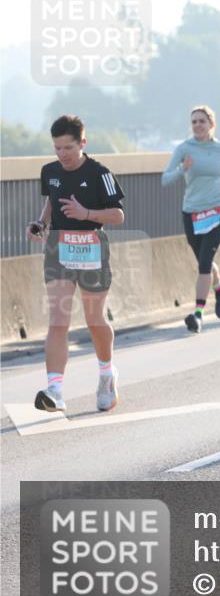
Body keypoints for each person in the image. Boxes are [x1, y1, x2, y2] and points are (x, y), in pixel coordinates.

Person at [28, 115, 125, 413]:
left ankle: (107, 374)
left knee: (95, 320)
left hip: (92, 246)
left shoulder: (100, 173)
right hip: (59, 246)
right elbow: (52, 202)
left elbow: (118, 216)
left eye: (68, 147)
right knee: (58, 319)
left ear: (83, 143)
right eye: (57, 148)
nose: (62, 154)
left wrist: (85, 214)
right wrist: (41, 223)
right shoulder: (50, 171)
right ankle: (55, 390)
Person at [162, 106, 220, 333]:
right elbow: (165, 178)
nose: (197, 125)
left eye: (202, 121)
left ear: (212, 124)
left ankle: (198, 314)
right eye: (194, 122)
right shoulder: (184, 149)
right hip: (192, 212)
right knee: (203, 261)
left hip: (218, 210)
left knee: (204, 262)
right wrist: (183, 168)